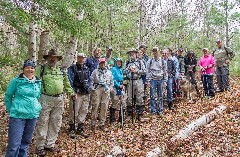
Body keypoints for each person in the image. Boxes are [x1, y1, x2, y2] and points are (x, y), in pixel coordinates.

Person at [35, 49, 75, 156]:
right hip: (45, 98)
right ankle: (40, 146)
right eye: (50, 57)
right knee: (43, 121)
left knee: (56, 121)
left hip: (59, 99)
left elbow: (66, 83)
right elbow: (35, 82)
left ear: (57, 59)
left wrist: (71, 93)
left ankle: (50, 144)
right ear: (47, 58)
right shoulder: (41, 69)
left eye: (55, 57)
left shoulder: (61, 70)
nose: (53, 59)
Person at [4, 59, 42, 157]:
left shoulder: (37, 82)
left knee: (25, 142)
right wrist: (11, 110)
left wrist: (36, 108)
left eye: (32, 68)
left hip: (32, 116)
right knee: (14, 144)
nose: (30, 70)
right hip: (18, 116)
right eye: (27, 67)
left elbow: (37, 96)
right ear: (23, 69)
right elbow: (8, 97)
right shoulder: (16, 81)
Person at [67, 52, 90, 138]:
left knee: (84, 111)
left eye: (83, 58)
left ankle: (80, 128)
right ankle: (72, 128)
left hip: (86, 93)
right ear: (77, 58)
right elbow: (69, 80)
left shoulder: (86, 68)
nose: (81, 59)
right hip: (77, 93)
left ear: (85, 59)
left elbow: (89, 79)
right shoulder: (72, 68)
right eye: (80, 58)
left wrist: (89, 87)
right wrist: (73, 92)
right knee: (74, 111)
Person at [90, 58, 113, 132]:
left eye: (104, 63)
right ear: (99, 64)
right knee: (95, 105)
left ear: (105, 64)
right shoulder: (95, 71)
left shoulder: (109, 72)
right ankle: (93, 124)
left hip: (106, 90)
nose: (102, 64)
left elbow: (111, 83)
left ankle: (102, 124)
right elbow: (91, 80)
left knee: (104, 106)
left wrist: (109, 89)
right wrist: (93, 89)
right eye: (101, 63)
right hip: (97, 89)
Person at [124, 48, 146, 120]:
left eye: (133, 53)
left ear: (136, 54)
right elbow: (124, 72)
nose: (132, 54)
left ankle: (140, 114)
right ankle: (130, 114)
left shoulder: (140, 62)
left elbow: (144, 71)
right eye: (130, 53)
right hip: (130, 81)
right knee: (129, 98)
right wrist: (129, 69)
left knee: (139, 97)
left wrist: (136, 71)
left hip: (138, 80)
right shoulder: (127, 62)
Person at [146, 47, 167, 115]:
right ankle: (153, 111)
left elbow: (165, 71)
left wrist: (165, 81)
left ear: (158, 52)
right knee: (152, 96)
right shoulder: (150, 61)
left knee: (160, 96)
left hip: (160, 80)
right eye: (154, 51)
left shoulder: (163, 61)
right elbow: (147, 70)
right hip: (152, 80)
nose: (155, 53)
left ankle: (160, 110)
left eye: (156, 51)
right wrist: (148, 80)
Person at [110, 58, 127, 124]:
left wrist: (123, 84)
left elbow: (123, 79)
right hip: (115, 87)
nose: (119, 63)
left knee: (123, 101)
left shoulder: (121, 70)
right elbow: (112, 78)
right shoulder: (113, 69)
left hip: (121, 88)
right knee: (115, 101)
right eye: (117, 62)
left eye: (120, 62)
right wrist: (118, 85)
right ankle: (112, 118)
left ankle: (121, 118)